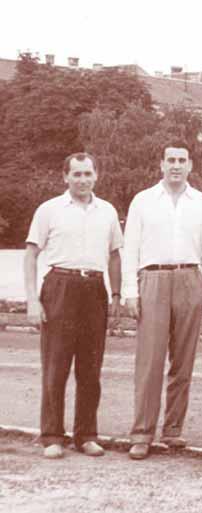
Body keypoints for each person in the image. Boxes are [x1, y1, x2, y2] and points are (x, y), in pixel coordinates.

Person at [122, 140, 202, 460]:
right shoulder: (143, 201)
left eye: (182, 160)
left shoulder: (201, 202)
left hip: (190, 278)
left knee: (183, 360)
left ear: (190, 165)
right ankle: (142, 433)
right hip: (153, 278)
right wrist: (130, 292)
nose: (176, 165)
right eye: (170, 160)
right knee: (149, 362)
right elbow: (130, 248)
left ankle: (173, 428)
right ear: (161, 164)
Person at [24, 152, 123, 459]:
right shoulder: (49, 210)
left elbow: (115, 255)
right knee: (56, 366)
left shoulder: (107, 211)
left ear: (97, 176)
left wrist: (116, 295)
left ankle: (86, 434)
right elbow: (31, 255)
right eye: (76, 174)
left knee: (91, 369)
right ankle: (52, 435)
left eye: (88, 174)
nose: (82, 180)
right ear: (65, 177)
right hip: (60, 287)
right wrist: (32, 300)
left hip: (94, 289)